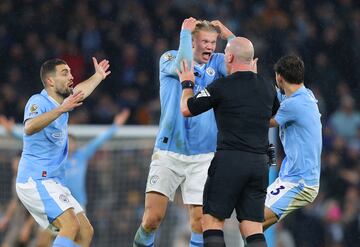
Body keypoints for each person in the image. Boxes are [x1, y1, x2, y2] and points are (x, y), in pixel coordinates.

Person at [133, 18, 235, 247]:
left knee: (199, 222)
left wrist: (230, 37)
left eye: (213, 41)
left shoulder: (218, 63)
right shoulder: (169, 58)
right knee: (152, 219)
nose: (210, 46)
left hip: (204, 154)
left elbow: (244, 63)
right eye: (205, 41)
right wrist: (184, 34)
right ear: (191, 42)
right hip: (169, 150)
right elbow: (184, 65)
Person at [178, 37, 278, 247]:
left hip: (230, 161)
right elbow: (274, 118)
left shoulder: (221, 86)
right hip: (259, 164)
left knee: (212, 221)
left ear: (230, 57)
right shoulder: (268, 87)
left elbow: (187, 108)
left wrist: (187, 84)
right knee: (252, 226)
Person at [15, 57, 111, 247]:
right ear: (50, 81)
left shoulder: (63, 102)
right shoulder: (38, 101)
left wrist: (98, 76)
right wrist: (61, 110)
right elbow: (29, 127)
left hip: (54, 181)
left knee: (85, 231)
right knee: (70, 224)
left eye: (70, 72)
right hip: (35, 180)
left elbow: (81, 92)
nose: (71, 76)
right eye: (65, 73)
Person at [263, 55, 322, 230]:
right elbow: (280, 98)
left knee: (253, 220)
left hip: (300, 182)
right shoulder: (305, 95)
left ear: (279, 77)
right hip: (291, 177)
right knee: (251, 225)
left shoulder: (293, 105)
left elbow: (267, 121)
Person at [0, 154, 37, 247]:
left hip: (32, 223)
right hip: (18, 222)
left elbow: (36, 208)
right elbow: (15, 201)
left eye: (16, 162)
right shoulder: (15, 178)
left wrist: (27, 227)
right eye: (13, 161)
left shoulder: (31, 181)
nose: (13, 164)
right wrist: (6, 219)